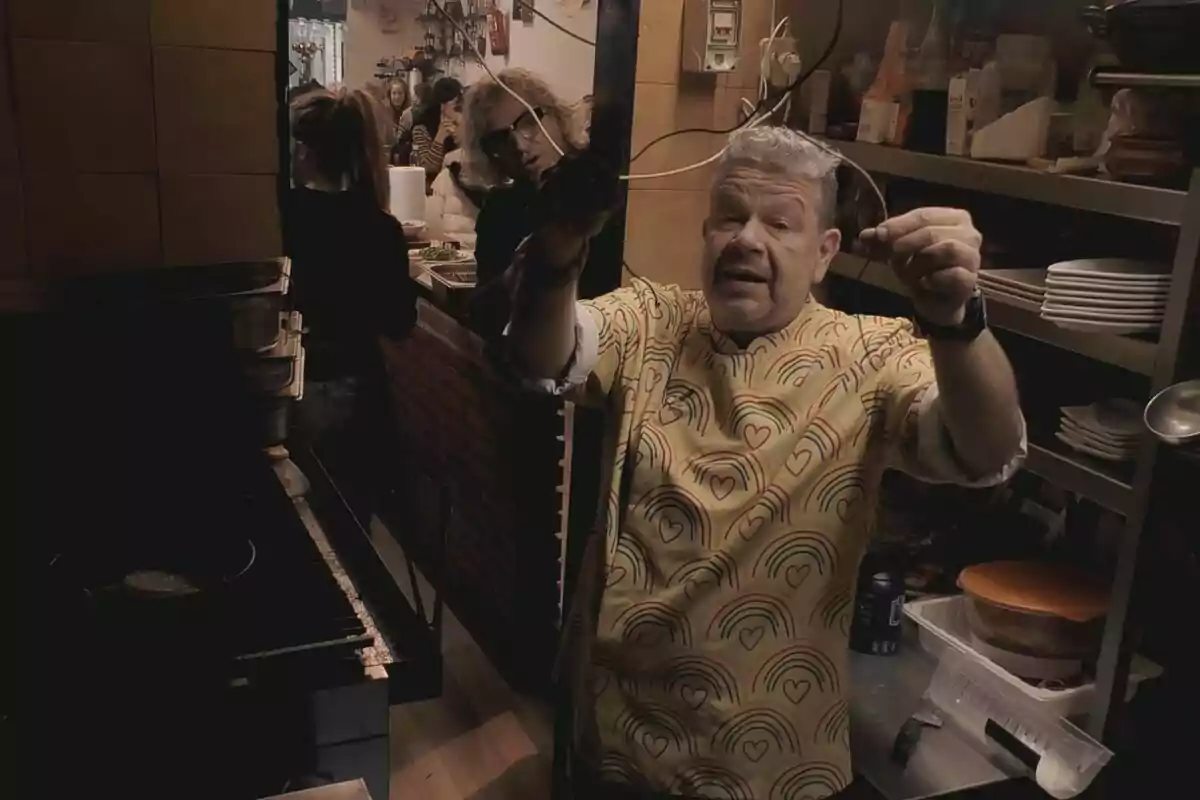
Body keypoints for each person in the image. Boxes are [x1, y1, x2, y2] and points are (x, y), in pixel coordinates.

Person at [504, 126, 1027, 799]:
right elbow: (539, 357)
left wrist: (957, 323)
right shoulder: (653, 319)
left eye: (780, 222)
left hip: (776, 767)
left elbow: (986, 452)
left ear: (824, 253)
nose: (747, 238)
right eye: (730, 215)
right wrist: (556, 250)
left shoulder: (873, 355)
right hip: (615, 746)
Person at [286, 86, 417, 509]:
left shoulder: (281, 214)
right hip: (356, 383)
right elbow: (400, 322)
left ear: (304, 151)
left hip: (292, 380)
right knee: (351, 515)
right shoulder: (380, 228)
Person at [459, 68, 602, 336]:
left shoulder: (597, 185)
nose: (520, 146)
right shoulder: (500, 210)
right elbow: (479, 313)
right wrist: (512, 280)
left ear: (555, 115)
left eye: (529, 122)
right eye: (501, 140)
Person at [411, 76, 464, 180]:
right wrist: (440, 137)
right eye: (452, 105)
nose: (455, 111)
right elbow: (429, 168)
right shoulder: (421, 129)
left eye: (458, 106)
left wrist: (461, 137)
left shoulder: (464, 123)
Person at [386, 76, 415, 165]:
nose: (397, 97)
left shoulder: (410, 113)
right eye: (394, 93)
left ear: (405, 95)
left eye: (400, 93)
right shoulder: (384, 113)